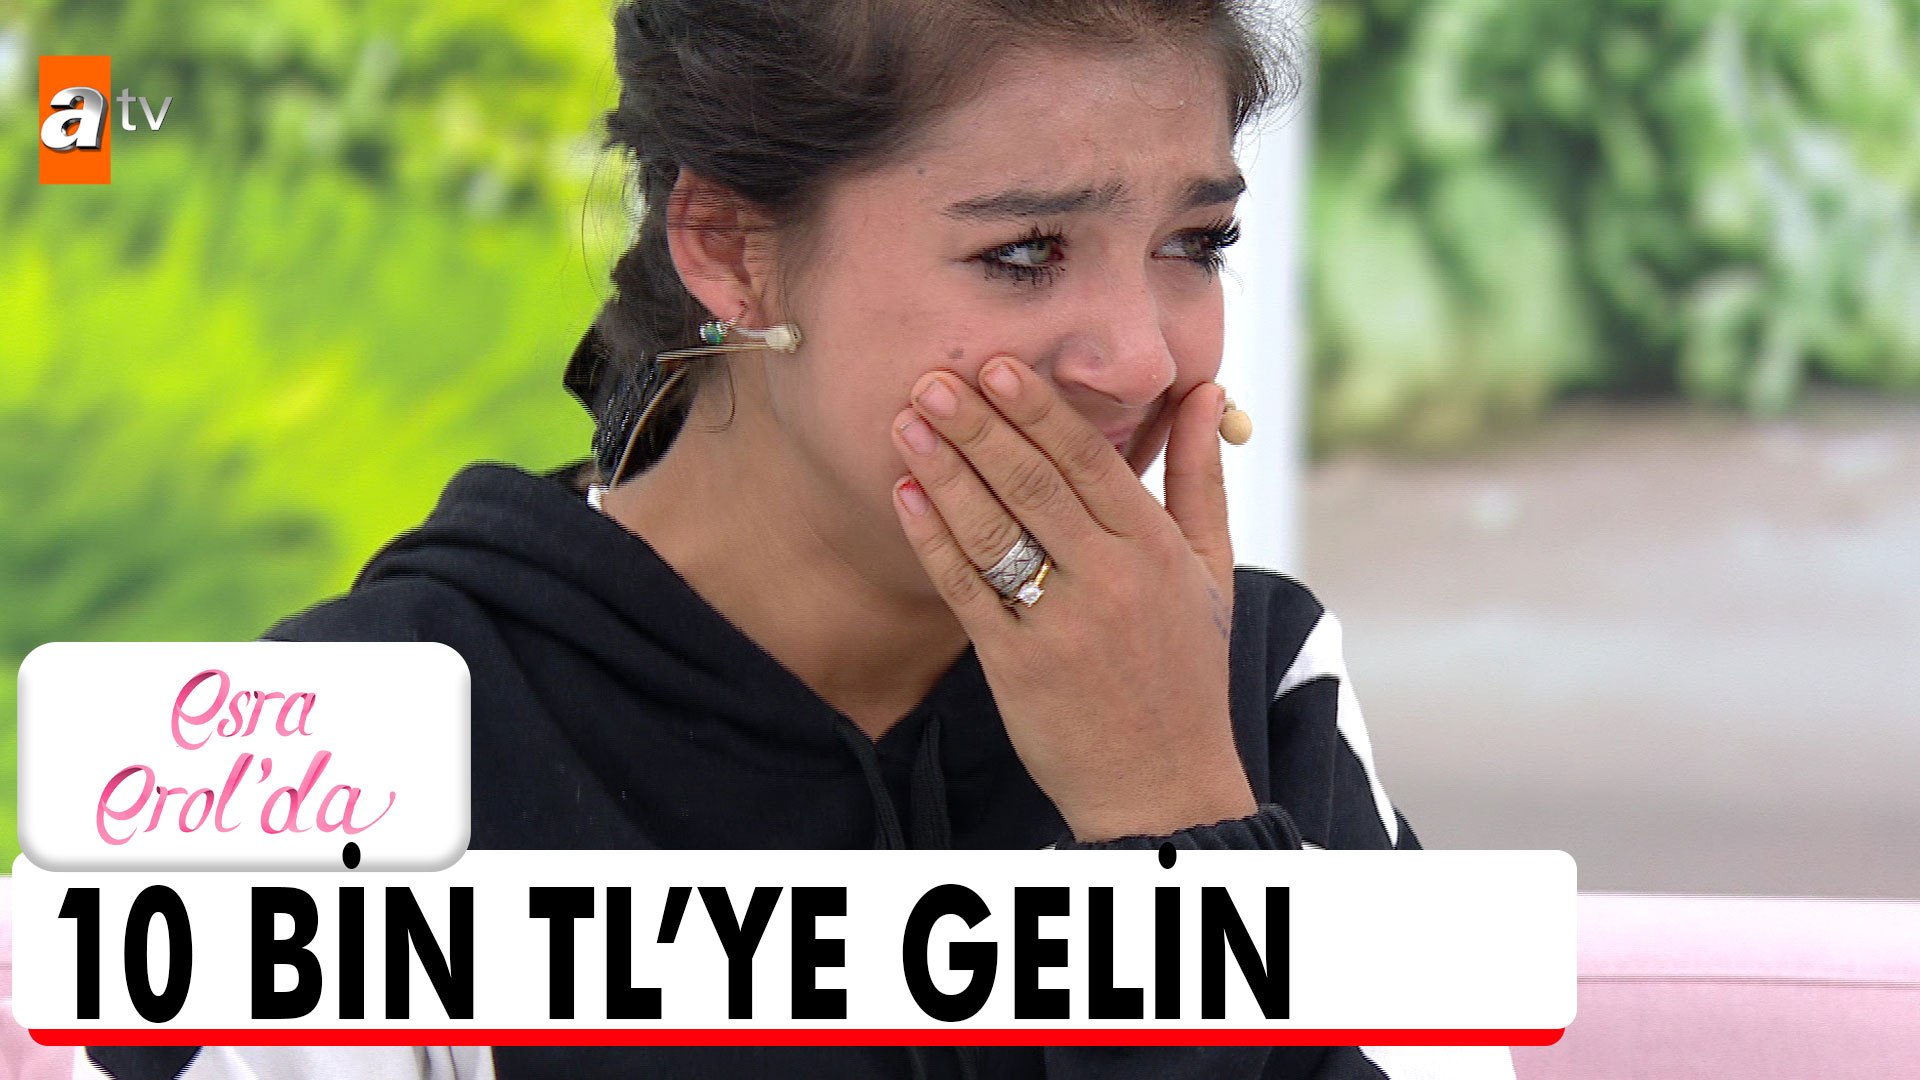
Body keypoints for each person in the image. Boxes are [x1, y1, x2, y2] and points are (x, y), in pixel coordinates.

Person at [86, 0, 1512, 1077]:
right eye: (1024, 254)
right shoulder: (357, 734)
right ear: (731, 248)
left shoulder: (1248, 676)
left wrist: (1179, 824)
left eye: (1194, 245)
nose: (1142, 357)